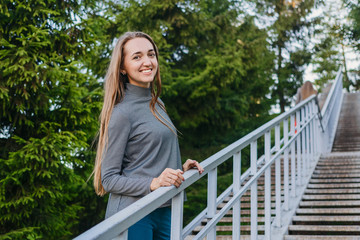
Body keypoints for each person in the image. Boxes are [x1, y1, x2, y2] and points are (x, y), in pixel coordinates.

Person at [93, 31, 204, 240]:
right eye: (137, 57)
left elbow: (146, 160)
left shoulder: (157, 104)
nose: (147, 61)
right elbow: (108, 180)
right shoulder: (121, 113)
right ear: (123, 68)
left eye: (151, 54)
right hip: (133, 214)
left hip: (165, 206)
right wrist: (152, 183)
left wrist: (179, 170)